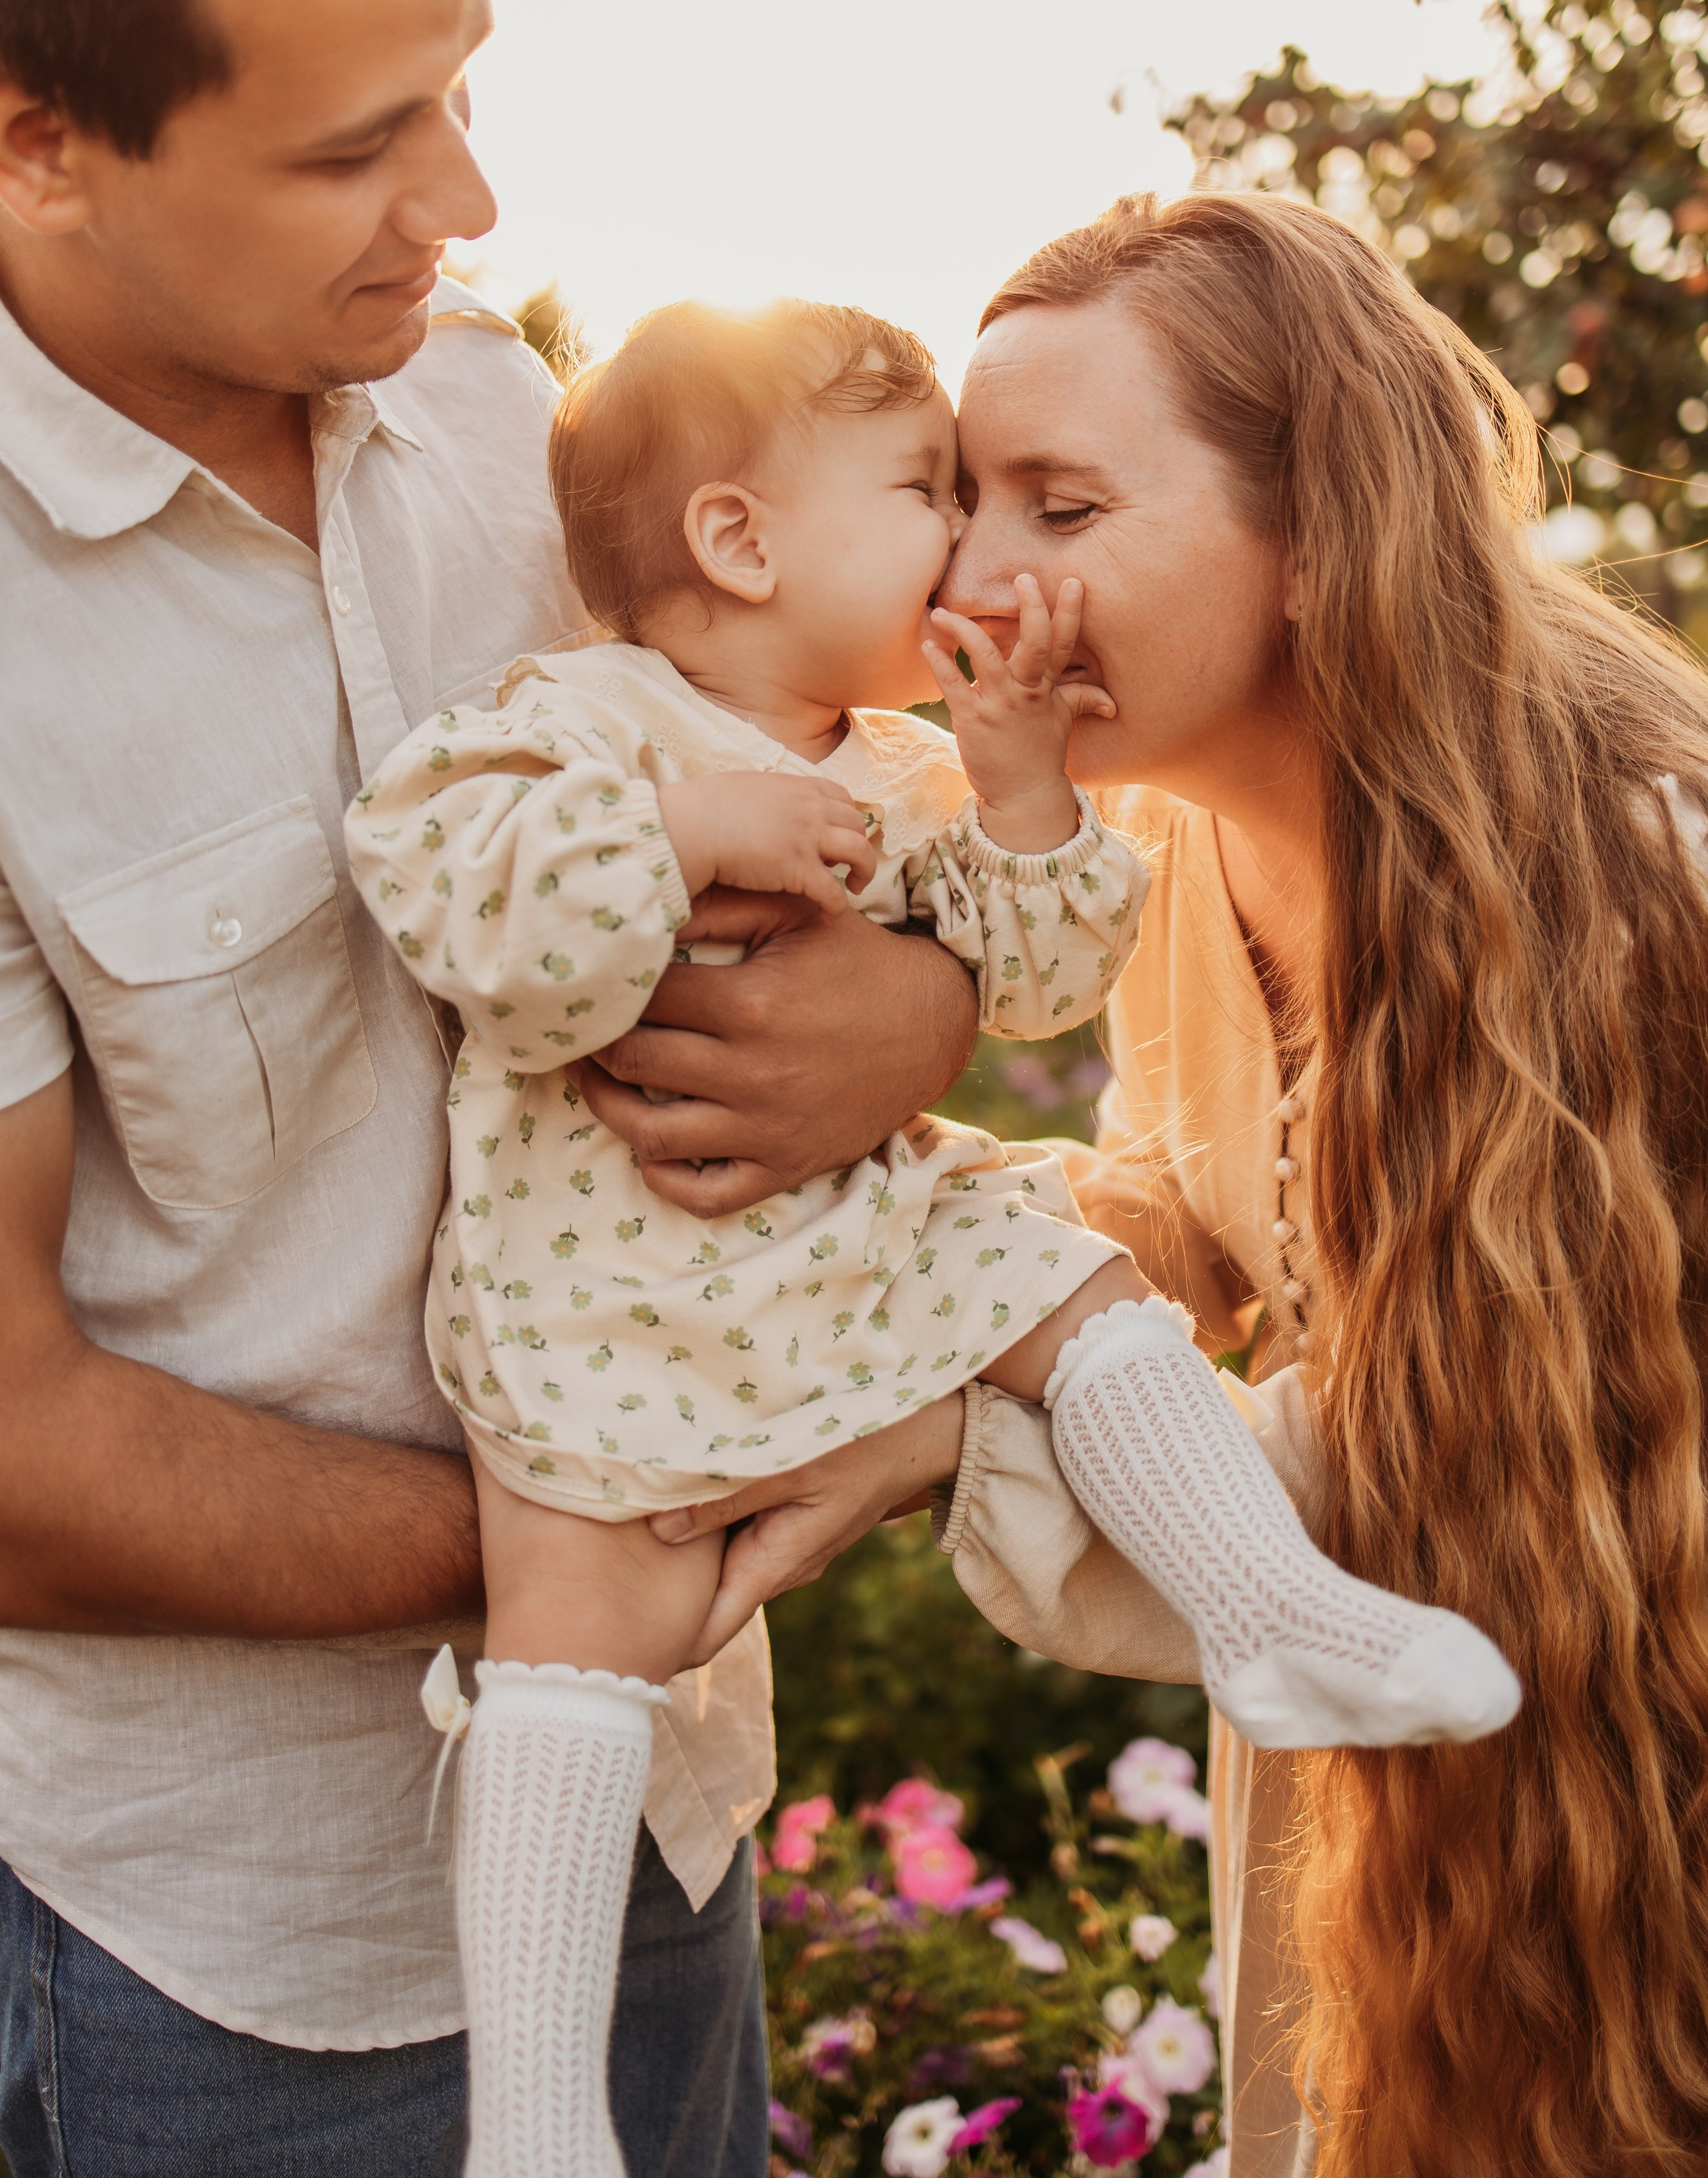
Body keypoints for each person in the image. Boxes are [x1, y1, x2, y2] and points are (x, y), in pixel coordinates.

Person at [0, 0, 978, 2173]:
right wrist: (615, 1528)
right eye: (357, 147)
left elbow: (755, 845)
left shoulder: (487, 414)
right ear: (34, 135)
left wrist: (919, 1008)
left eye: (467, 82)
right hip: (222, 1960)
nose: (471, 202)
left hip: (659, 1809)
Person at [354, 291, 1515, 2171]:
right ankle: (539, 2122)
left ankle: (1275, 1610)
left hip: (859, 1240)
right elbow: (466, 912)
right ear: (740, 540)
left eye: (1026, 503)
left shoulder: (906, 769)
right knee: (569, 1652)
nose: (972, 552)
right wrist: (687, 831)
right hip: (601, 1289)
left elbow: (1046, 980)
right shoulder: (579, 720)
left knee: (1077, 1281)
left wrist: (1025, 796)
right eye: (935, 492)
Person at [655, 193, 1708, 2177]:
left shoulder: (1652, 882)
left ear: (1316, 538)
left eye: (1065, 505)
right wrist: (899, 1246)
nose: (977, 572)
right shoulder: (1159, 850)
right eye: (969, 499)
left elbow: (1519, 1441)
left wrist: (939, 1437)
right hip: (1419, 1842)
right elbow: (1197, 1205)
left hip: (1639, 1792)